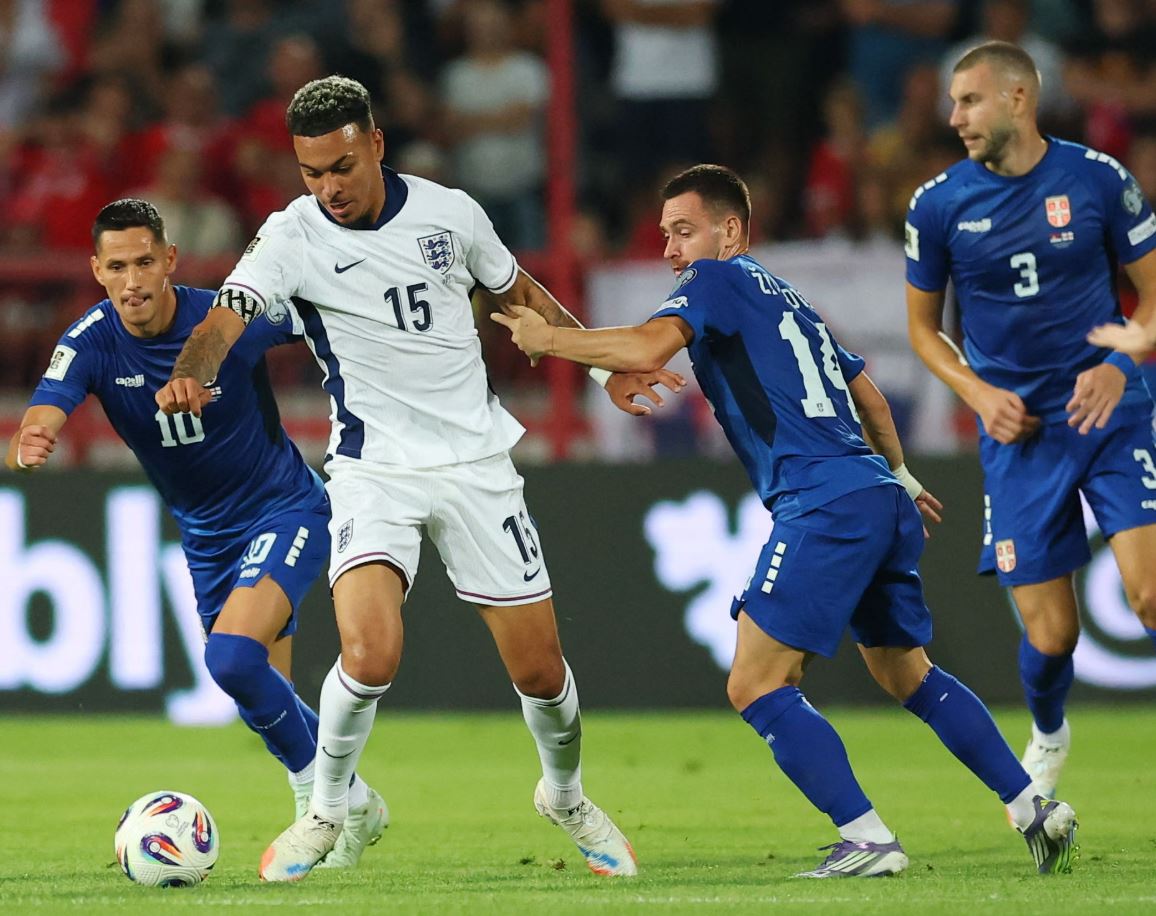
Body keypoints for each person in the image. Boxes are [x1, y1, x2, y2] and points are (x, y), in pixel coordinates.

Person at [154, 75, 680, 882]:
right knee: (369, 652)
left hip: (475, 464)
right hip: (374, 470)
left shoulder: (452, 213)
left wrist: (597, 364)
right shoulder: (291, 235)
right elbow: (224, 317)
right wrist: (192, 370)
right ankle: (325, 811)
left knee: (540, 671)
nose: (327, 188)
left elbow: (520, 295)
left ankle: (566, 795)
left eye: (341, 167)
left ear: (376, 145)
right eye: (311, 173)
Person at [493, 163, 1079, 877]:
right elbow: (871, 396)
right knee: (908, 675)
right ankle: (1033, 808)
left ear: (731, 230)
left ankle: (867, 838)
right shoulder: (787, 299)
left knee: (757, 683)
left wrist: (549, 340)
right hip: (873, 492)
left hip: (821, 500)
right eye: (666, 235)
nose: (673, 249)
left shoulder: (715, 282)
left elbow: (649, 348)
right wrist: (898, 476)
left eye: (685, 231)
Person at [5, 198, 386, 870]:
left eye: (145, 261)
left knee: (233, 659)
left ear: (169, 261)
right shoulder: (91, 339)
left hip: (284, 508)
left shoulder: (226, 318)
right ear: (96, 270)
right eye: (117, 266)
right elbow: (50, 400)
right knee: (256, 689)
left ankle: (327, 804)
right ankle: (350, 798)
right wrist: (37, 433)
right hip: (207, 537)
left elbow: (324, 318)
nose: (133, 280)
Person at [904, 41, 1156, 801]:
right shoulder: (938, 204)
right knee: (1052, 637)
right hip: (1019, 435)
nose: (955, 119)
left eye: (970, 101)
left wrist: (1120, 367)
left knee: (1149, 595)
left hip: (1112, 416)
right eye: (953, 104)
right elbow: (923, 330)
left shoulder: (1098, 180)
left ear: (1019, 99)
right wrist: (977, 394)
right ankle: (1049, 729)